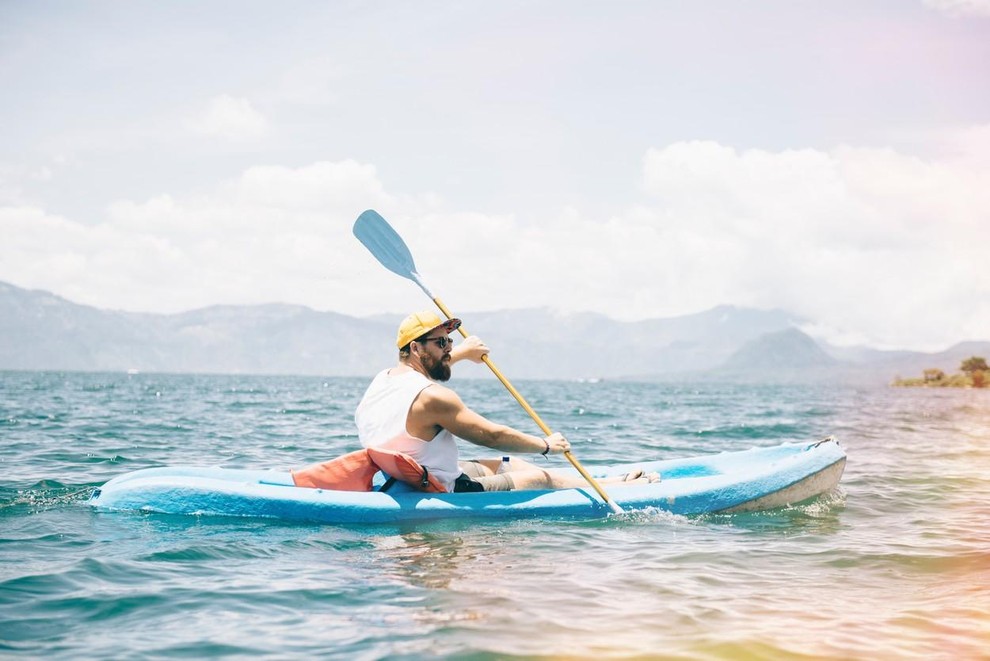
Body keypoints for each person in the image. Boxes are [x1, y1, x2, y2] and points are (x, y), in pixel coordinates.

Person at [355, 310, 659, 493]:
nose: (450, 347)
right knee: (539, 477)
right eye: (441, 342)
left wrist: (461, 353)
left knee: (510, 464)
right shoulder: (434, 398)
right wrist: (546, 445)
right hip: (443, 487)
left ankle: (599, 481)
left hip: (411, 476)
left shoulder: (383, 380)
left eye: (450, 341)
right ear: (416, 347)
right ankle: (623, 488)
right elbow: (491, 436)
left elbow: (426, 376)